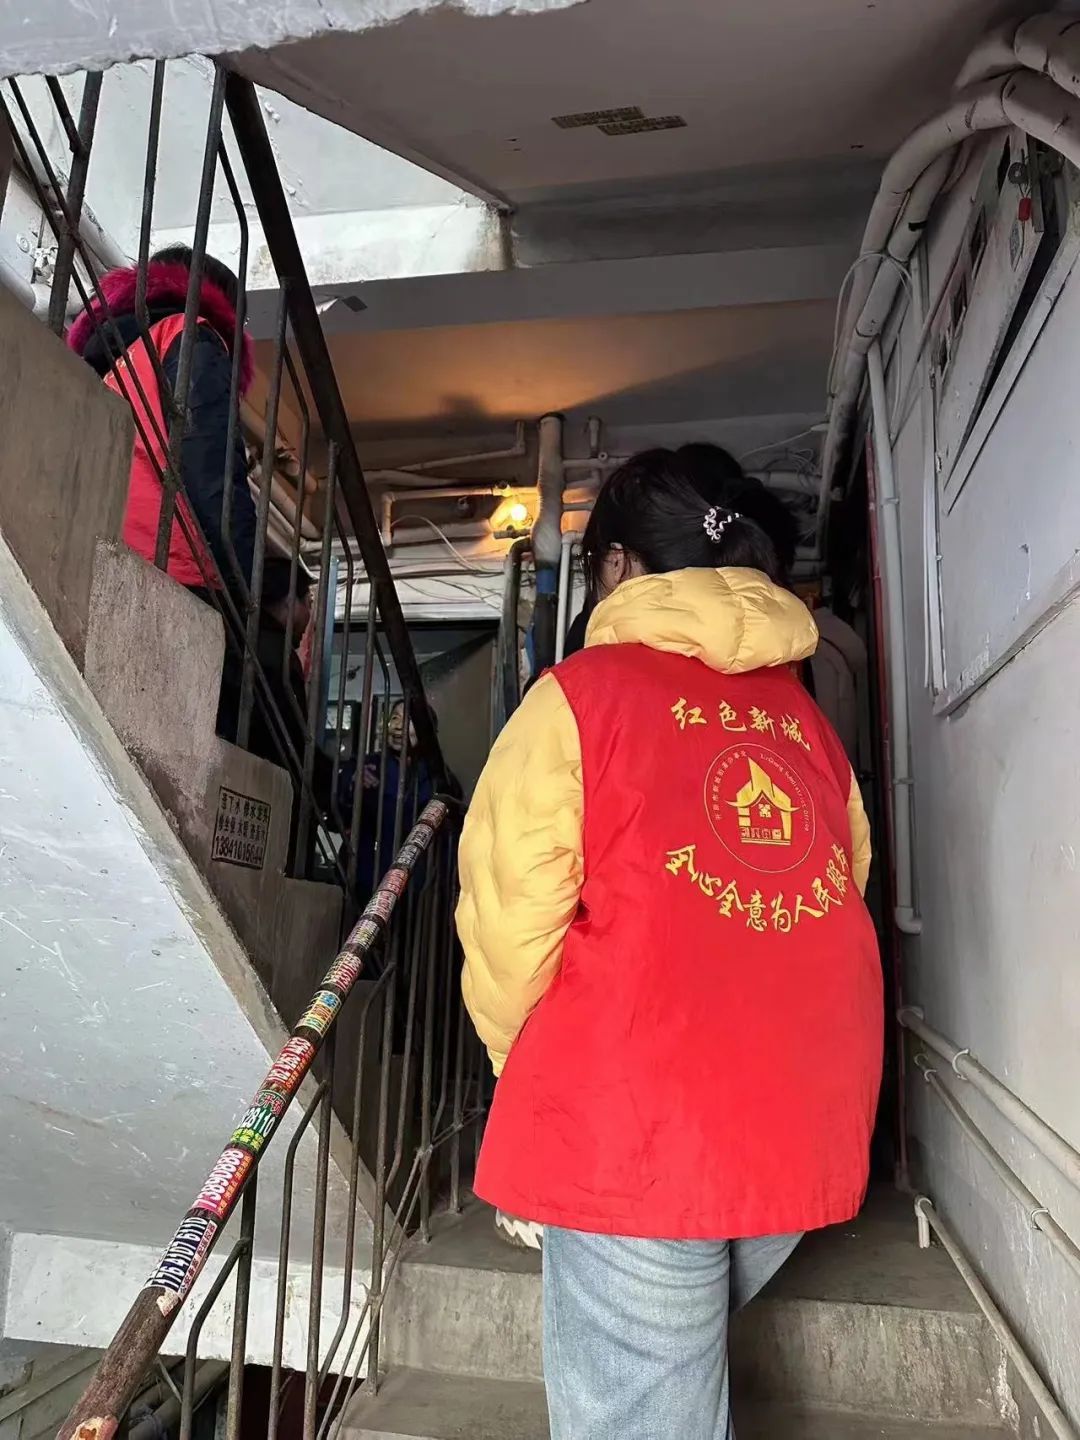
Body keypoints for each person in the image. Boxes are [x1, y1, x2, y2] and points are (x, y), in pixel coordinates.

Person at [457, 448, 882, 1439]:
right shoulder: (805, 724)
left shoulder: (579, 696)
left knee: (645, 1410)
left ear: (615, 565)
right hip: (807, 1109)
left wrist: (533, 1084)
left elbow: (511, 922)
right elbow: (843, 887)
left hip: (639, 1120)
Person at [67, 243, 257, 597]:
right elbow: (209, 462)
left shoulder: (109, 361)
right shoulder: (190, 335)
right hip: (169, 561)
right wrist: (244, 581)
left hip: (96, 543)